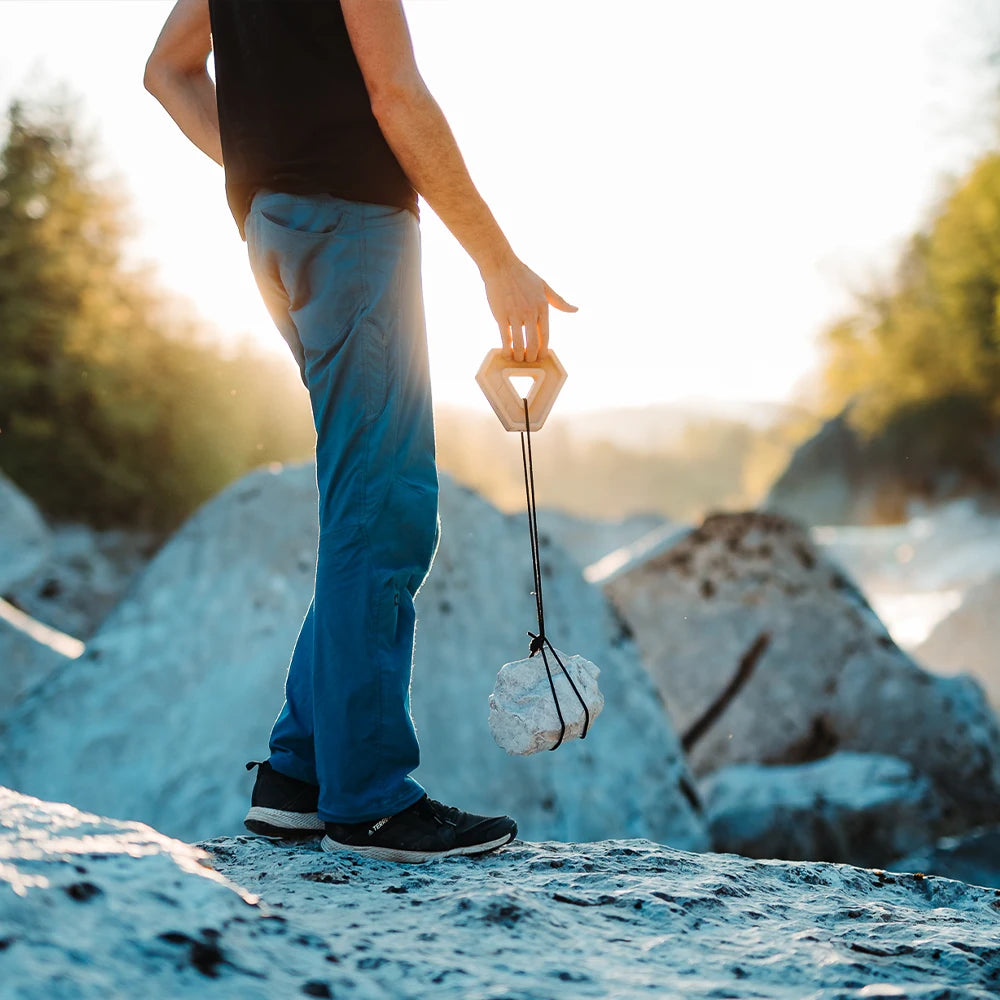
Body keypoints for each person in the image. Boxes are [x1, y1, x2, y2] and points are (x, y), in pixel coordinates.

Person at [144, 0, 576, 864]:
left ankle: (298, 782)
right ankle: (371, 801)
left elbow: (166, 71)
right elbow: (397, 96)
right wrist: (497, 259)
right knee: (384, 510)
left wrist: (267, 167)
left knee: (364, 503)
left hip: (279, 228)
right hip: (351, 226)